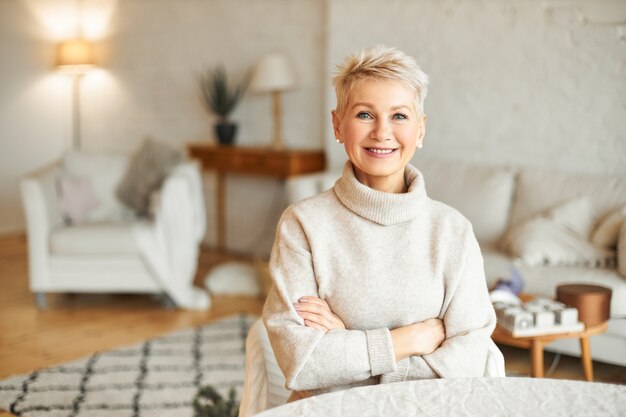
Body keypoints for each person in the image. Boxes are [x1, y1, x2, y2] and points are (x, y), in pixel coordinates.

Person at [262, 45, 500, 401]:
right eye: (364, 115)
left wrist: (350, 347)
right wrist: (409, 340)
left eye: (400, 116)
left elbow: (471, 358)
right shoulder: (302, 225)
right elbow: (301, 362)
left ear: (420, 130)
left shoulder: (452, 231)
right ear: (337, 125)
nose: (382, 132)